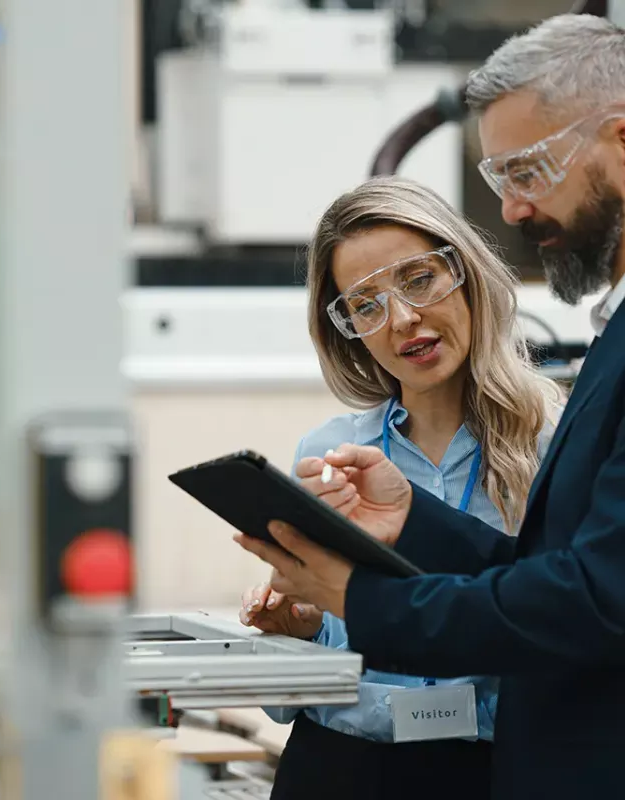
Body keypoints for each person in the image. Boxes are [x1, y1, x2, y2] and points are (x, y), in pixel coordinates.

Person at [234, 14, 625, 800]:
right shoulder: (343, 451)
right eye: (365, 305)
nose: (513, 209)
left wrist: (361, 597)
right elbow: (547, 580)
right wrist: (399, 529)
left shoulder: (556, 421)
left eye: (529, 170)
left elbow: (584, 599)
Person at [238, 175, 562, 800]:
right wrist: (300, 631)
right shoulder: (330, 455)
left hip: (484, 774)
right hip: (332, 770)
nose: (403, 319)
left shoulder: (555, 446)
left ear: (466, 273)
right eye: (365, 304)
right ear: (346, 329)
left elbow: (568, 638)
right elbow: (307, 686)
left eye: (418, 280)